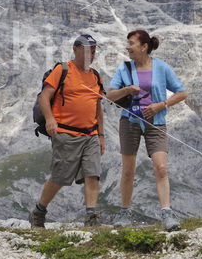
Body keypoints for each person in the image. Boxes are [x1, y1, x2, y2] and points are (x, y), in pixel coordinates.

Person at [106, 30, 187, 231]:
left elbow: (182, 92)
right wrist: (127, 90)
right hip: (129, 122)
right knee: (128, 171)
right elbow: (109, 95)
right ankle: (125, 213)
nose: (127, 47)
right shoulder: (124, 68)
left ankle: (167, 214)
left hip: (156, 122)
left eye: (131, 43)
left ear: (144, 47)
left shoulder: (161, 67)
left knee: (161, 168)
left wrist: (162, 105)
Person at [29, 34, 105, 228]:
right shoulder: (62, 70)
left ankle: (91, 217)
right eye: (88, 50)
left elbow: (97, 108)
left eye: (94, 50)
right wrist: (50, 120)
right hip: (65, 133)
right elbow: (45, 98)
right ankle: (39, 211)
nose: (91, 54)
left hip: (90, 134)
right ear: (76, 49)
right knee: (60, 178)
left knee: (92, 173)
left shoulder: (95, 76)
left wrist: (101, 135)